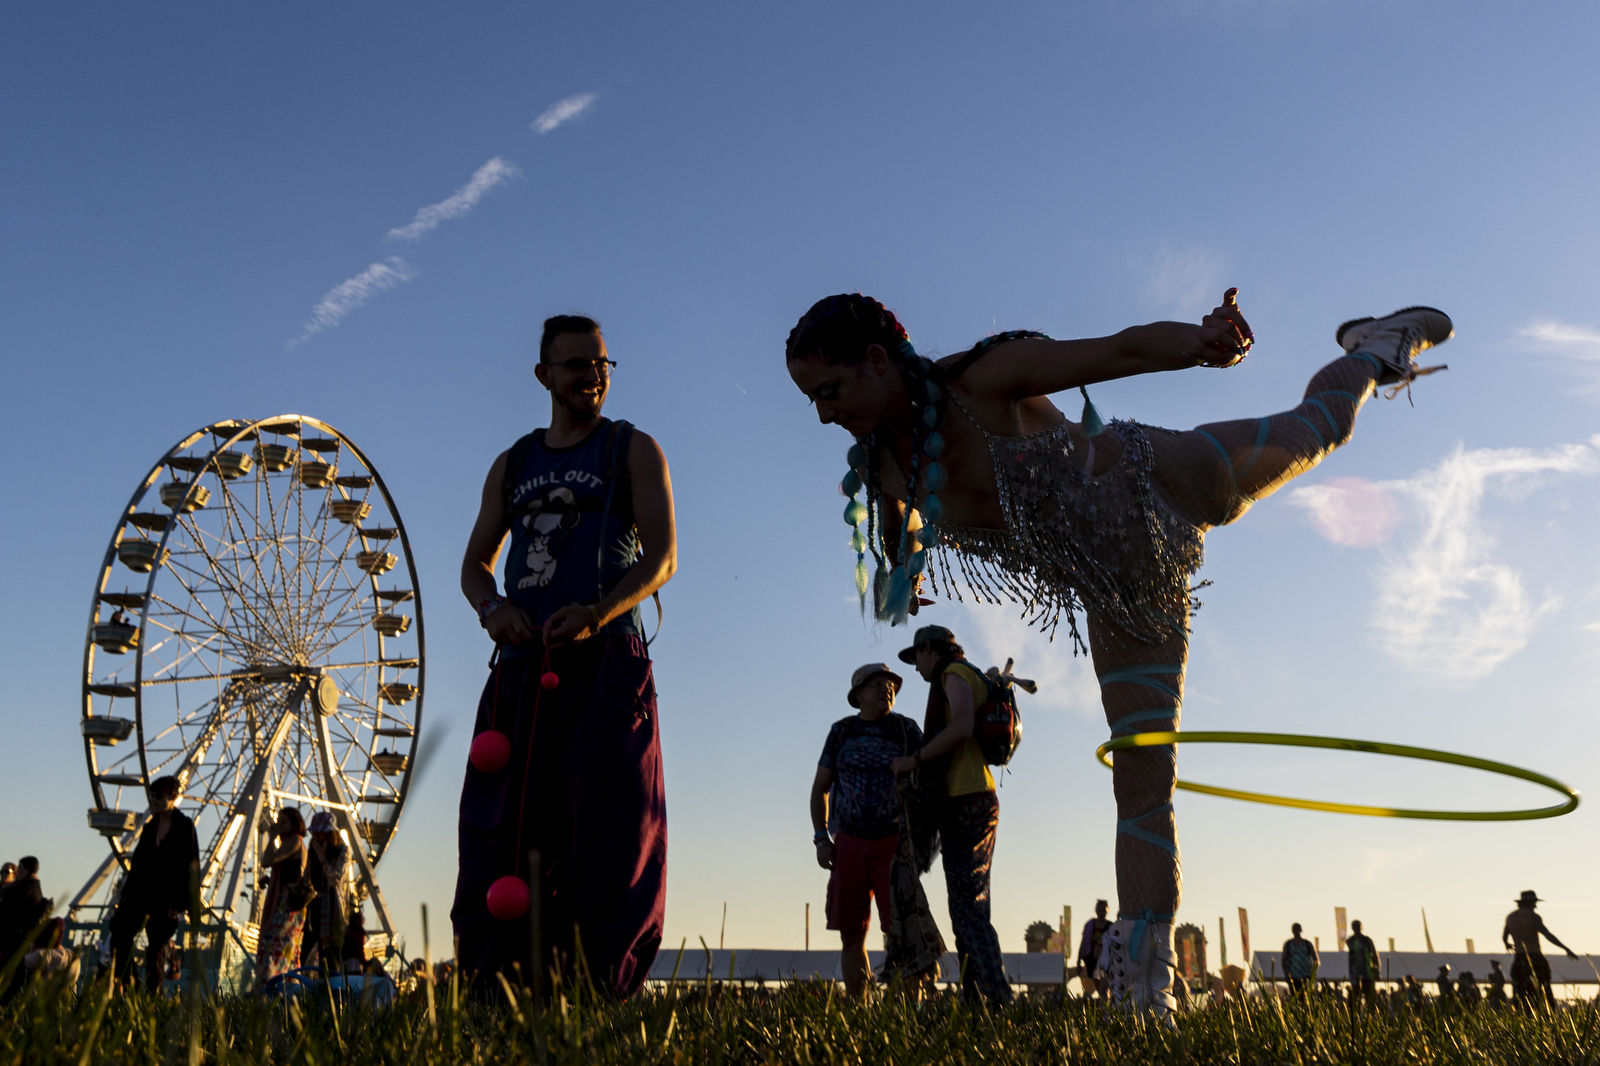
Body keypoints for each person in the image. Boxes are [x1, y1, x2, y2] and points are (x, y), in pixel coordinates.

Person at [786, 292, 1454, 1013]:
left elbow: (1120, 350)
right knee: (1141, 769)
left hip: (1160, 478)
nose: (823, 415)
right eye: (810, 401)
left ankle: (1371, 350)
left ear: (878, 361)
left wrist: (1201, 342)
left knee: (1318, 429)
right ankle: (1143, 989)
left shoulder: (981, 380)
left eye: (830, 391)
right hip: (1121, 590)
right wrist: (902, 568)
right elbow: (895, 526)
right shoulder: (882, 465)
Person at [454, 313, 676, 999]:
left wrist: (600, 611)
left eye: (602, 364)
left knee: (613, 831)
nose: (592, 376)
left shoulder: (633, 449)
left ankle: (601, 993)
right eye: (577, 365)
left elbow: (664, 558)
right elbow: (473, 568)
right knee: (501, 835)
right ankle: (499, 993)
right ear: (543, 375)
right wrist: (495, 611)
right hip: (522, 674)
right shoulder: (513, 464)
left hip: (607, 665)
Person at [887, 625, 1011, 1004]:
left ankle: (996, 996)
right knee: (966, 903)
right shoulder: (968, 672)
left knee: (968, 906)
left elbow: (961, 727)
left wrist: (917, 758)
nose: (916, 668)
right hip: (972, 796)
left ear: (928, 648)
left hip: (966, 796)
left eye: (916, 657)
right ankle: (975, 996)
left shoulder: (953, 673)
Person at [810, 663, 924, 997]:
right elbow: (820, 788)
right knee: (851, 933)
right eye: (876, 684)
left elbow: (928, 779)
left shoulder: (906, 730)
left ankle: (908, 1015)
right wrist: (821, 839)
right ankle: (859, 1005)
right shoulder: (842, 731)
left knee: (902, 932)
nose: (885, 689)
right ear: (858, 693)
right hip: (849, 844)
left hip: (895, 842)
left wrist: (923, 841)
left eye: (889, 684)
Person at [107, 776, 200, 991]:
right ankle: (131, 984)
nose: (154, 800)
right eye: (152, 796)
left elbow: (192, 863)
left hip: (166, 897)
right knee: (118, 936)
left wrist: (188, 902)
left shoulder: (184, 826)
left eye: (158, 796)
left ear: (173, 797)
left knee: (156, 949)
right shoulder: (149, 828)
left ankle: (152, 996)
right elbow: (137, 864)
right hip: (140, 894)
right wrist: (125, 894)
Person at [255, 807, 308, 985]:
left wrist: (272, 838)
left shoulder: (294, 841)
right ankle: (290, 992)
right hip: (292, 904)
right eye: (278, 821)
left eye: (284, 821)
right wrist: (271, 881)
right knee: (287, 950)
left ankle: (269, 987)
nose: (279, 825)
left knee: (272, 945)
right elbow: (290, 875)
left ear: (294, 824)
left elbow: (266, 860)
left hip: (287, 905)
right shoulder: (296, 843)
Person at [1503, 889, 1578, 1009]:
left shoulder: (1510, 917)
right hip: (1535, 958)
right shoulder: (1533, 916)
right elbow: (1547, 934)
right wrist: (1566, 948)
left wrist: (1507, 944)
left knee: (1521, 993)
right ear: (1531, 902)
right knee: (1543, 991)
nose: (1536, 906)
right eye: (1534, 903)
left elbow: (1504, 936)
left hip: (1519, 959)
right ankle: (1548, 1019)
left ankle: (1522, 1019)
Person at [300, 811, 349, 973]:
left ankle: (331, 994)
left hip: (333, 911)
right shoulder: (311, 851)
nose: (317, 835)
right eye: (315, 832)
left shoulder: (342, 850)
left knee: (329, 957)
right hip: (312, 909)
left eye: (321, 831)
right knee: (305, 953)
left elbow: (334, 878)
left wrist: (321, 856)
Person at [23, 918, 78, 991]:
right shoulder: (73, 956)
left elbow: (13, 963)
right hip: (68, 1001)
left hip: (39, 1001)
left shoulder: (42, 955)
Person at [1077, 900, 1112, 998]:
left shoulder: (1110, 926)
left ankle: (1106, 1010)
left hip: (1105, 962)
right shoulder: (1090, 925)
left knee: (1103, 989)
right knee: (1100, 990)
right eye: (1099, 910)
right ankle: (1104, 1009)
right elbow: (1083, 943)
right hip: (1091, 961)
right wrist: (1078, 961)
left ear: (1107, 911)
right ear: (1096, 910)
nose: (1101, 912)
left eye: (1103, 910)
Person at [1346, 919, 1379, 1006]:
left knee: (1369, 996)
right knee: (1355, 996)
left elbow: (1375, 955)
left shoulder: (1366, 940)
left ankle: (1370, 1015)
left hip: (1367, 972)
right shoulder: (1350, 940)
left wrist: (1377, 971)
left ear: (1361, 927)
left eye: (1358, 926)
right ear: (1352, 928)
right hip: (1354, 972)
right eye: (1355, 926)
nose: (1357, 928)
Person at [1281, 923, 1318, 995]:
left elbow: (1316, 960)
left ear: (1300, 930)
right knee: (1295, 997)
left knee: (1305, 997)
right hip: (1293, 977)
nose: (1296, 931)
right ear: (1292, 931)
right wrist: (1286, 974)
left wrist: (1313, 974)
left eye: (1297, 929)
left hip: (1306, 976)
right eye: (1294, 930)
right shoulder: (1288, 944)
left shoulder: (1307, 944)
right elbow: (1283, 960)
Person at [342, 906, 368, 974]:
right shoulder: (359, 933)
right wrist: (364, 963)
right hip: (354, 964)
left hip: (345, 963)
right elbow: (359, 949)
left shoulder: (347, 931)